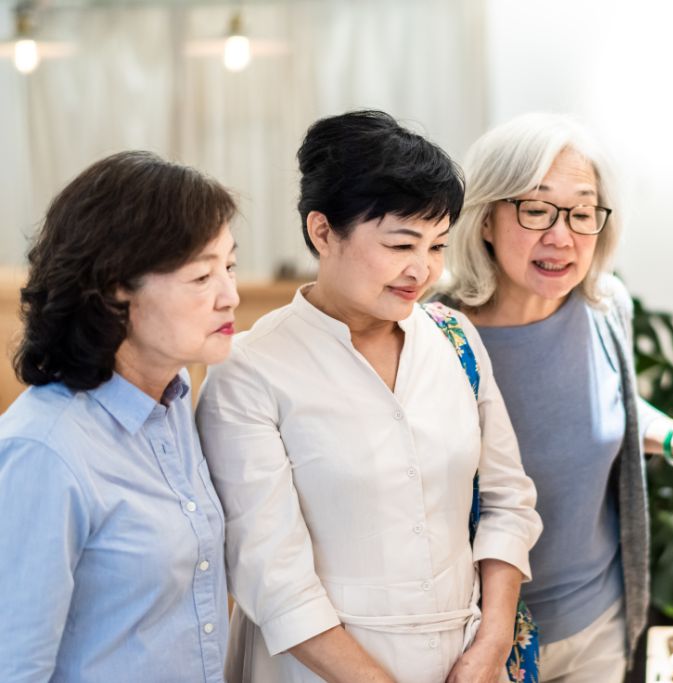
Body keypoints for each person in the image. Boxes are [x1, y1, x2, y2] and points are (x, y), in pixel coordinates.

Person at [195, 110, 542, 683]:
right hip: (320, 668)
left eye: (437, 245)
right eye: (401, 243)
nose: (422, 269)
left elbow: (509, 502)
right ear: (322, 232)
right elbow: (272, 577)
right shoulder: (250, 370)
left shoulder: (454, 340)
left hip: (467, 659)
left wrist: (492, 641)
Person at [439, 113, 673, 683]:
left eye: (582, 212)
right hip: (474, 641)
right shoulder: (436, 335)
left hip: (598, 621)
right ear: (485, 219)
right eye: (536, 209)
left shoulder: (606, 308)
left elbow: (614, 403)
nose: (562, 236)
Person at [0, 151, 239, 682]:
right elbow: (16, 667)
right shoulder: (45, 451)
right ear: (115, 287)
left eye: (230, 266)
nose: (231, 296)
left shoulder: (175, 406)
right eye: (202, 276)